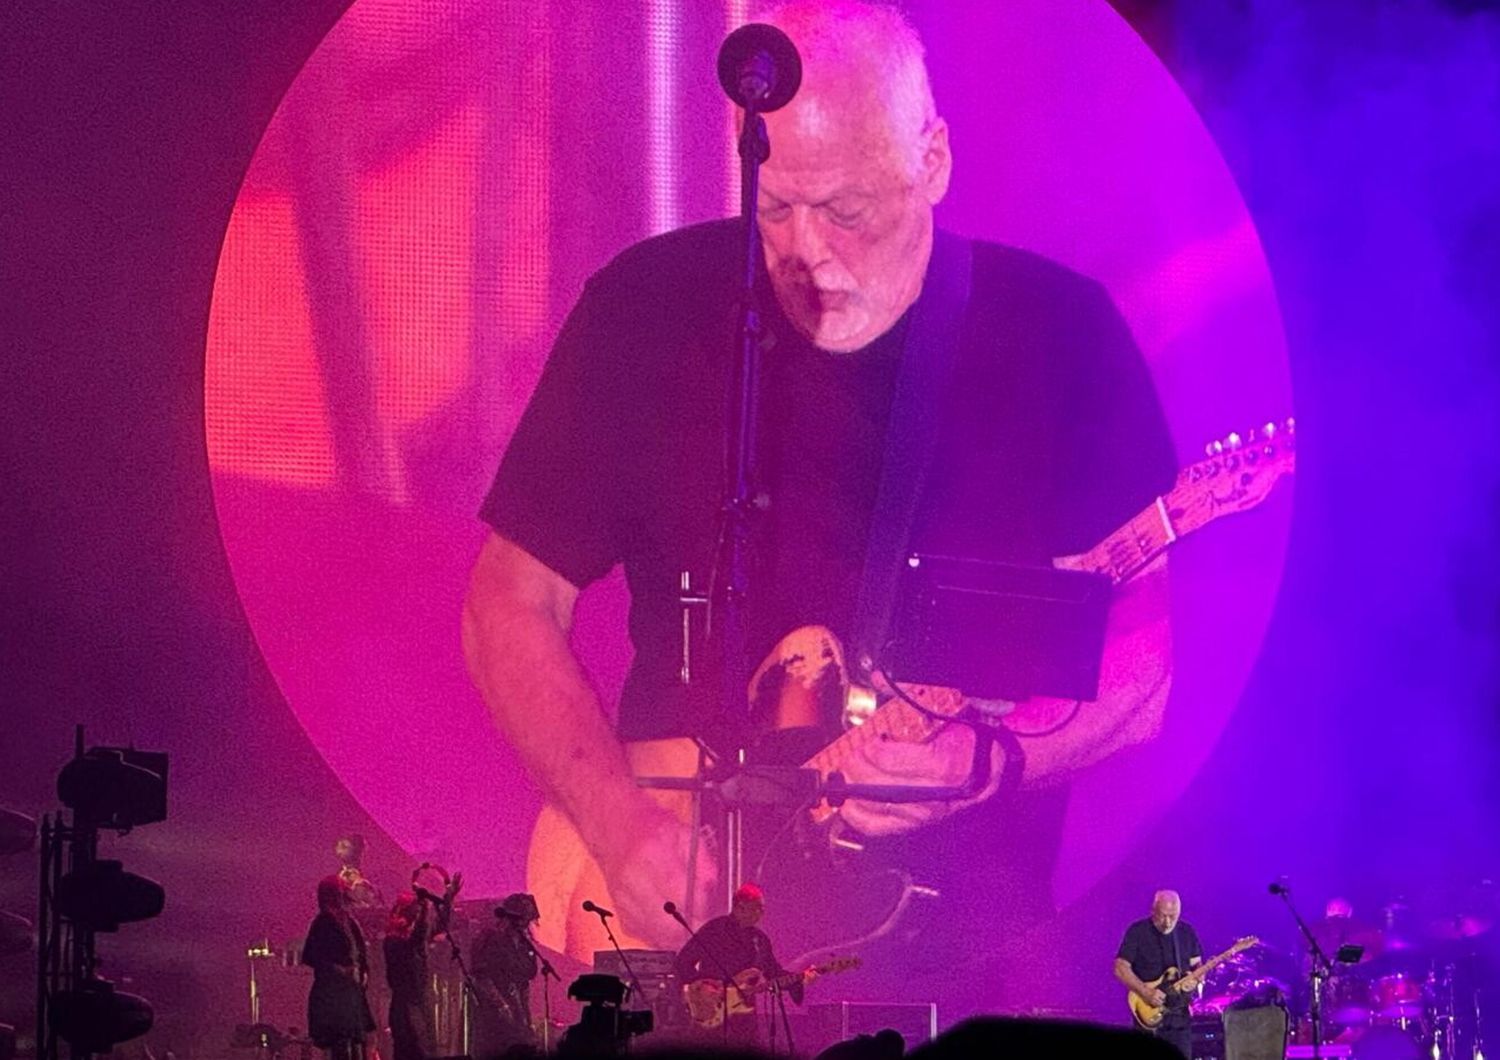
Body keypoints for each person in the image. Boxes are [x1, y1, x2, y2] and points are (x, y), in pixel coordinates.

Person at [463, 0, 1176, 1002]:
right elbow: (509, 602)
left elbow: (1143, 664)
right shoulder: (647, 308)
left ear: (931, 161)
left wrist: (991, 764)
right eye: (777, 210)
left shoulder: (1059, 337)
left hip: (963, 949)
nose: (808, 253)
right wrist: (618, 822)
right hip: (680, 935)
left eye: (844, 209)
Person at [674, 883, 813, 1045]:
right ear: (741, 907)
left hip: (744, 1016)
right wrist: (703, 986)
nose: (762, 913)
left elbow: (773, 972)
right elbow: (683, 961)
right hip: (714, 1012)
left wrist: (799, 978)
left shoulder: (759, 940)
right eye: (758, 908)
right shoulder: (715, 929)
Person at [1115, 889, 1204, 1059]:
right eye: (1163, 916)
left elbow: (1197, 965)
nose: (1168, 922)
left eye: (1173, 916)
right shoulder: (1138, 931)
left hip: (1180, 1019)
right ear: (1152, 910)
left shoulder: (1186, 932)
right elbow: (1120, 967)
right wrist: (1145, 992)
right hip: (1149, 1017)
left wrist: (1198, 980)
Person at [302, 874, 377, 1060]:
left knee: (357, 1041)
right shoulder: (323, 922)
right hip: (333, 994)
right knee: (341, 1044)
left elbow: (360, 952)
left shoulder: (350, 921)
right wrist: (339, 969)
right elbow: (311, 956)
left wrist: (363, 971)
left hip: (351, 992)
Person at [471, 892, 543, 1057]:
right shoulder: (490, 938)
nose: (526, 925)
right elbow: (481, 976)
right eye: (524, 919)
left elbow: (526, 981)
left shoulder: (524, 945)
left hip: (517, 1009)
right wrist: (501, 1005)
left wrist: (526, 1016)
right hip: (493, 1011)